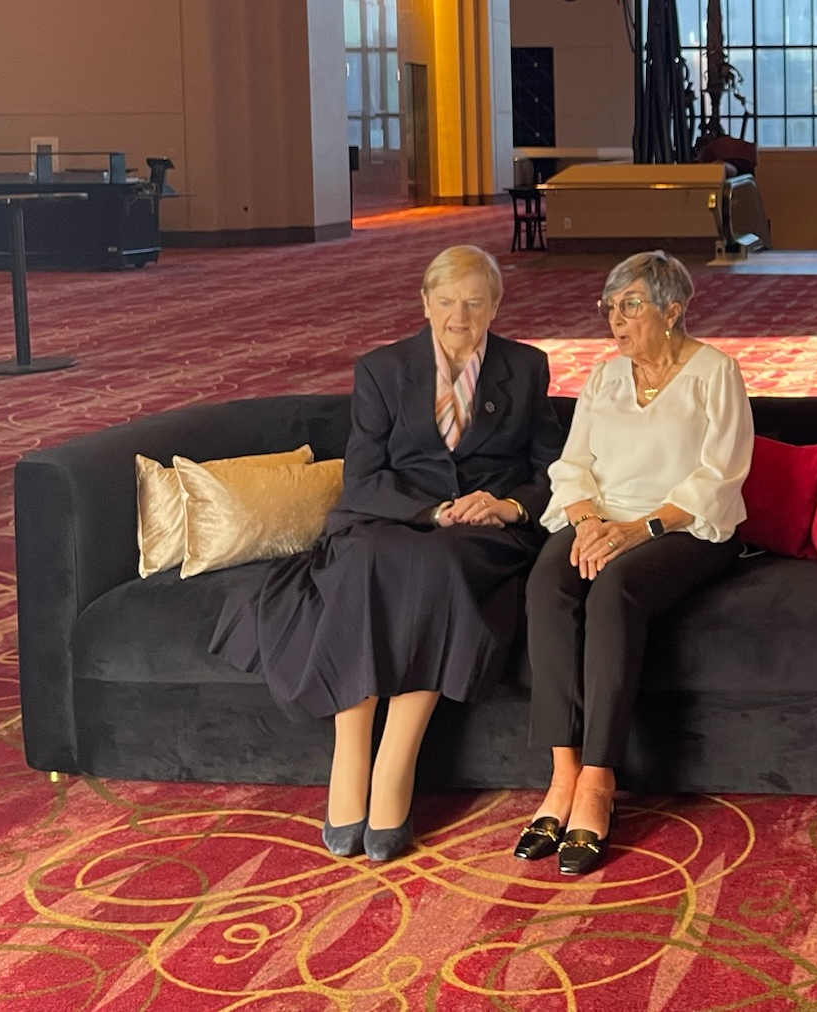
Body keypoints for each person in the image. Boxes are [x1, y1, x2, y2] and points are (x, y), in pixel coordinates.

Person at [211, 245, 562, 861]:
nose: (460, 315)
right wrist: (429, 511)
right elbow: (364, 478)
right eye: (447, 301)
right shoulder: (381, 370)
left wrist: (508, 507)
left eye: (475, 302)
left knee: (441, 564)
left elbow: (548, 470)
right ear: (425, 303)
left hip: (481, 533)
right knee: (372, 561)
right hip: (389, 519)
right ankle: (351, 754)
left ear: (496, 306)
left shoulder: (526, 368)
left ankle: (397, 755)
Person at [513, 250, 754, 876]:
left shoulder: (715, 373)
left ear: (672, 311)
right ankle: (562, 772)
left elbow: (720, 477)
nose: (615, 320)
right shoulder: (604, 376)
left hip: (684, 527)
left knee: (613, 590)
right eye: (609, 307)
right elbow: (574, 463)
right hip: (603, 519)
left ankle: (598, 780)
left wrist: (636, 529)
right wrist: (590, 521)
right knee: (548, 583)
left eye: (631, 305)